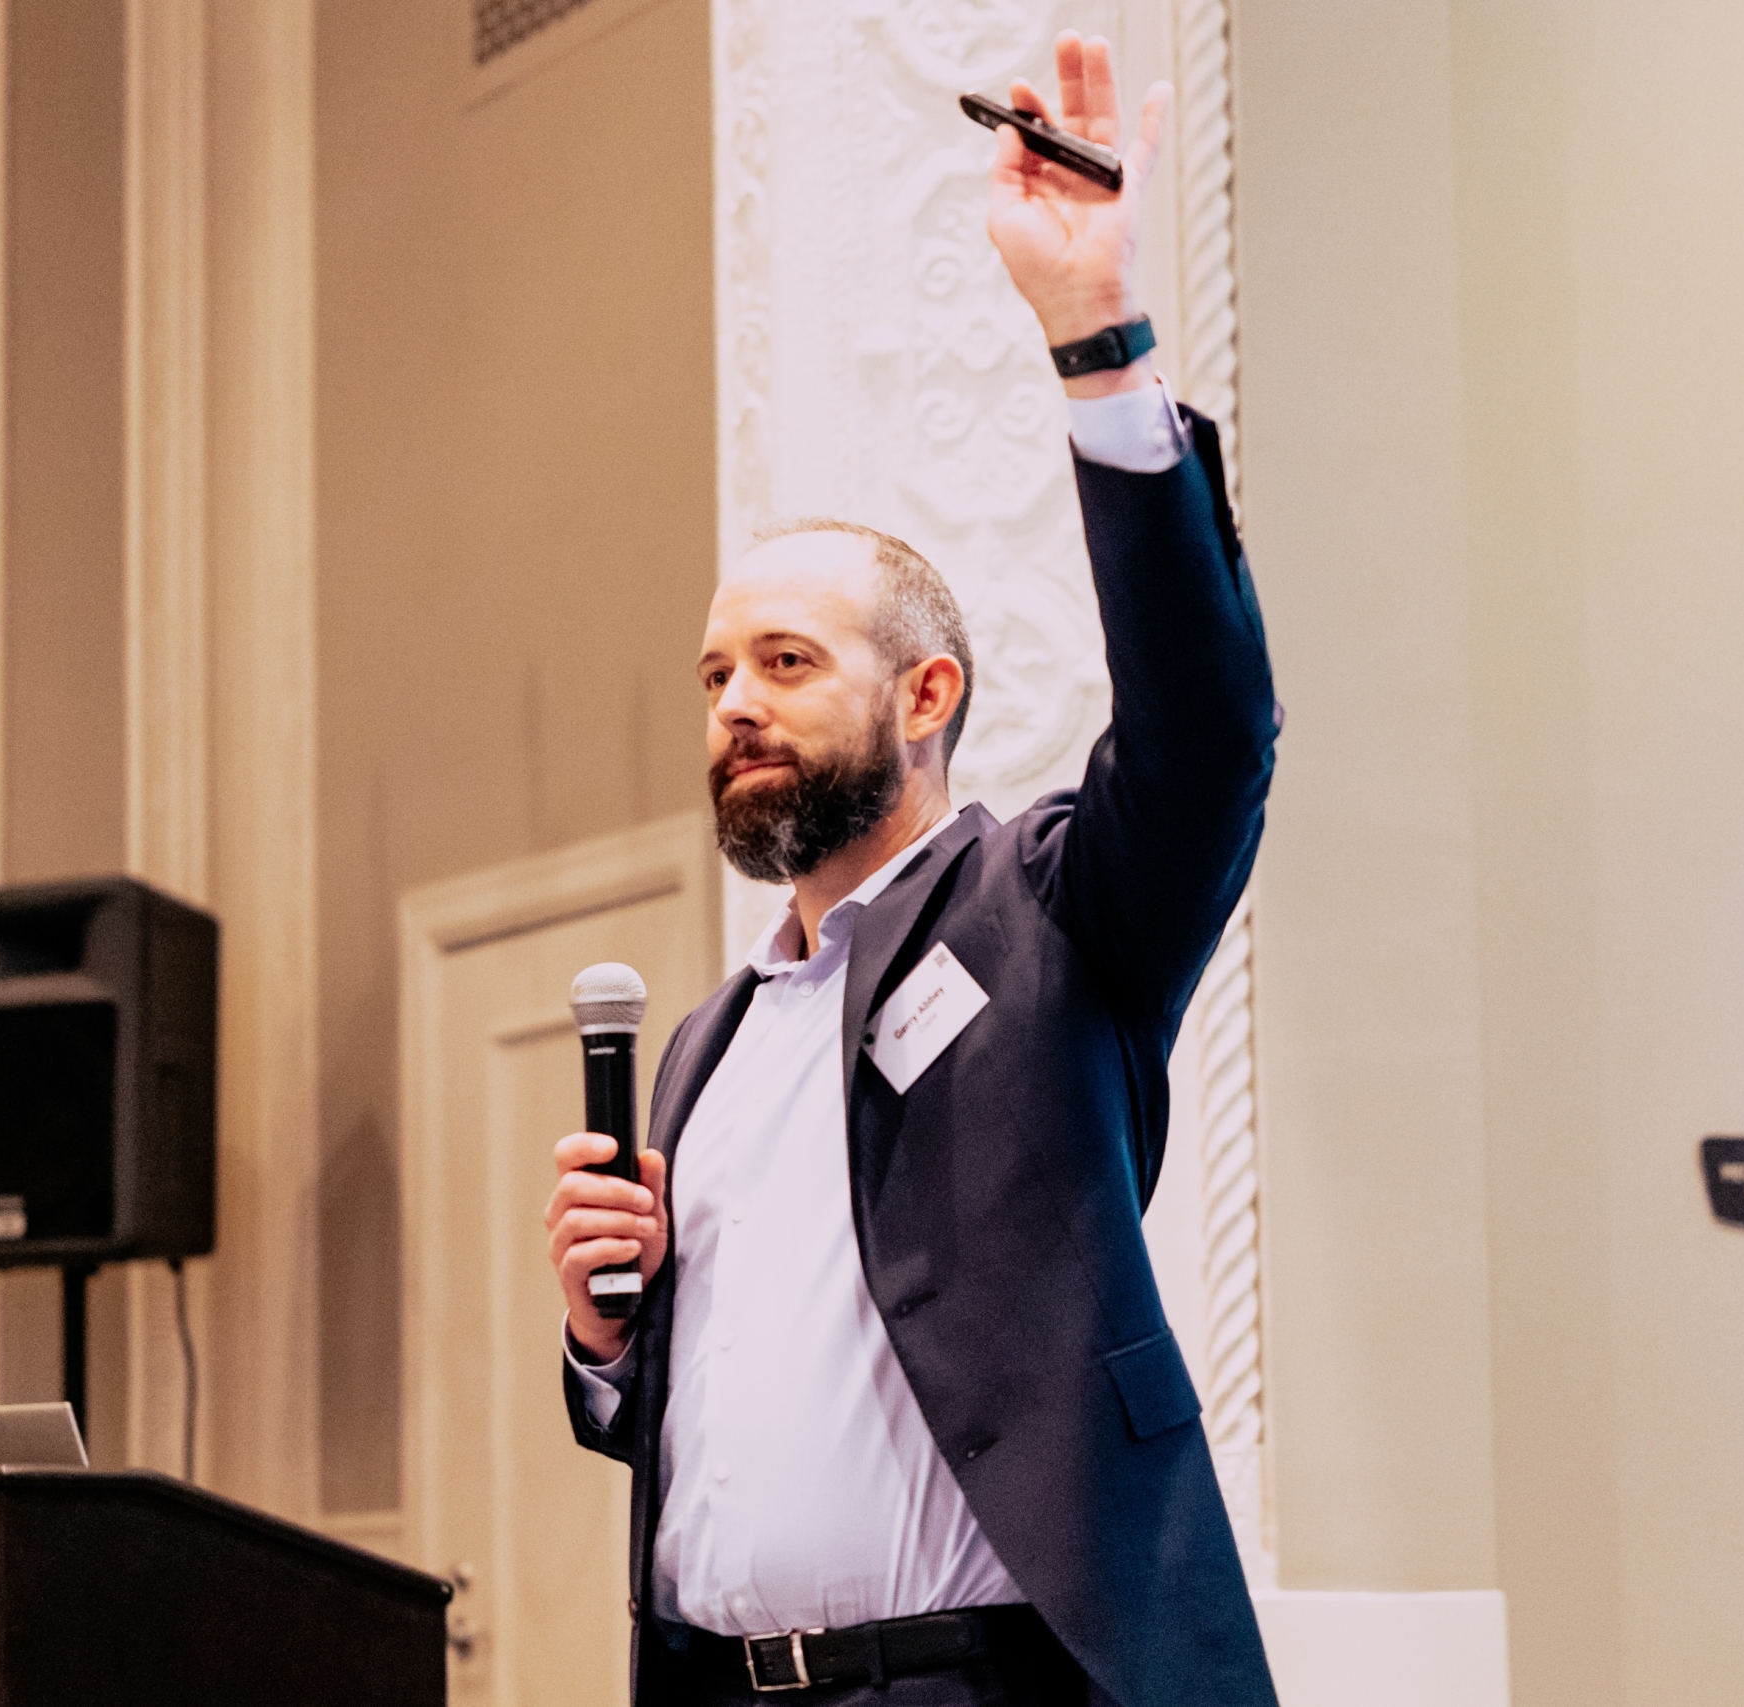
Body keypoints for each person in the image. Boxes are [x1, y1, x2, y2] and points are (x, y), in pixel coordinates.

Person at [543, 33, 1281, 1707]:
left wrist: (1100, 347)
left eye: (788, 663)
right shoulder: (703, 1051)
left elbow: (1208, 737)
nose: (735, 703)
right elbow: (719, 1406)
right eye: (717, 674)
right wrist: (604, 1349)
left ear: (927, 695)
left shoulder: (1049, 916)